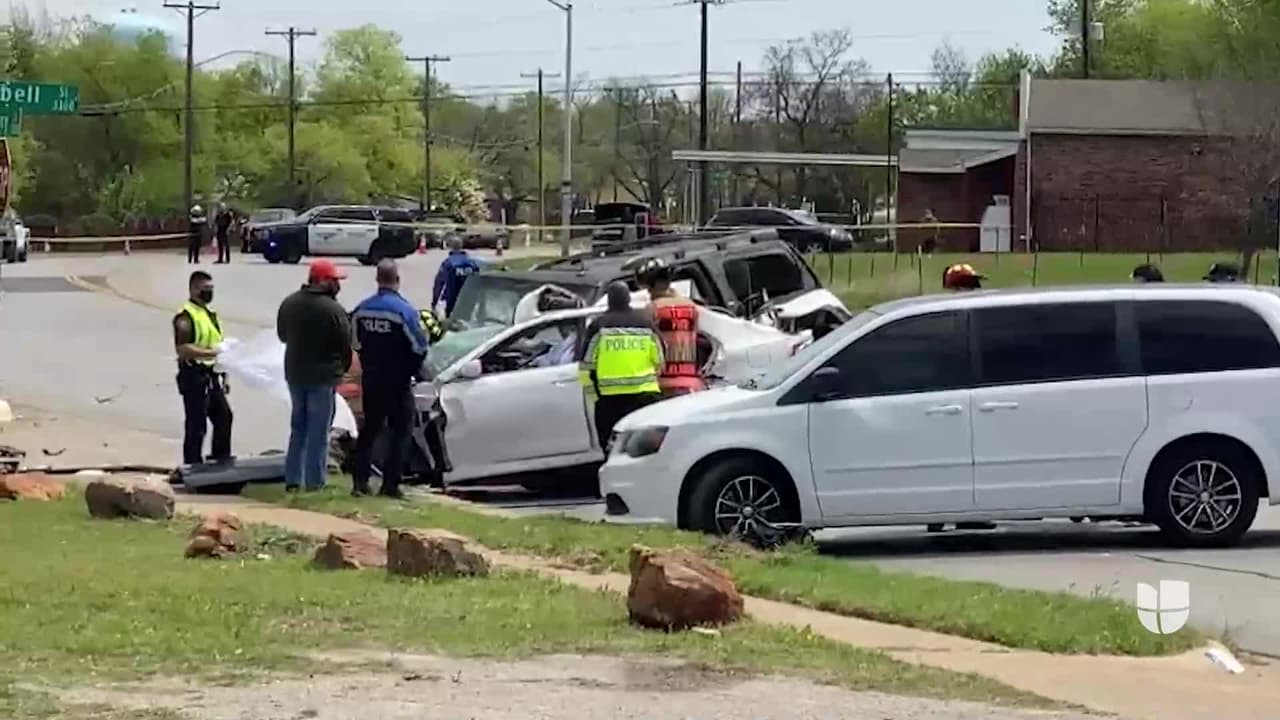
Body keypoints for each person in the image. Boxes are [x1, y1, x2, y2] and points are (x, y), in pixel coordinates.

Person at [349, 259, 430, 499]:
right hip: (398, 381)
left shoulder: (363, 309)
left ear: (377, 279)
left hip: (372, 379)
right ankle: (390, 485)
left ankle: (359, 483)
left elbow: (354, 343)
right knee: (400, 432)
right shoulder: (404, 311)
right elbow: (420, 346)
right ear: (397, 280)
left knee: (370, 430)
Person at [276, 259, 353, 492]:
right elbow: (345, 345)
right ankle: (314, 482)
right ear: (322, 281)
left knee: (298, 427)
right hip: (323, 377)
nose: (338, 285)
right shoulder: (333, 309)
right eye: (335, 280)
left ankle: (293, 479)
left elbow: (282, 336)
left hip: (295, 374)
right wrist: (342, 368)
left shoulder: (289, 303)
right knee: (319, 431)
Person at [578, 282, 664, 450]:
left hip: (610, 399)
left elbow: (586, 365)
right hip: (645, 395)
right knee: (647, 447)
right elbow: (660, 359)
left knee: (612, 446)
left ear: (609, 300)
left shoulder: (599, 326)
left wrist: (593, 396)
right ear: (628, 299)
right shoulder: (645, 323)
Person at [173, 270, 232, 465]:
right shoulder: (185, 316)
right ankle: (192, 464)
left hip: (212, 375)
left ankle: (220, 459)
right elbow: (182, 348)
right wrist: (211, 354)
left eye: (211, 289)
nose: (209, 293)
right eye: (205, 289)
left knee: (224, 416)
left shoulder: (210, 315)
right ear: (193, 289)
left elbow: (218, 344)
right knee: (197, 425)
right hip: (194, 375)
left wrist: (225, 374)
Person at [636, 257, 706, 397]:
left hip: (664, 384)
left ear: (650, 286)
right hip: (691, 382)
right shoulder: (691, 307)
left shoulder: (652, 310)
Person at [432, 236, 482, 316]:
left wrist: (434, 303)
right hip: (469, 301)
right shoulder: (473, 263)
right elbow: (480, 283)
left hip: (452, 300)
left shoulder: (448, 263)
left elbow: (439, 283)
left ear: (450, 247)